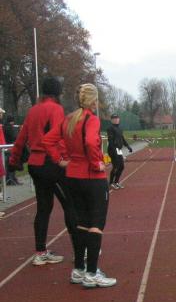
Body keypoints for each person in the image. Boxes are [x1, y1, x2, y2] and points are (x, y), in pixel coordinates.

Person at [42, 83, 116, 287]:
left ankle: (79, 269)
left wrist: (60, 160)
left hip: (73, 176)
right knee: (96, 224)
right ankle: (91, 273)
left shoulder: (69, 119)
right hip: (92, 178)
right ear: (93, 100)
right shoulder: (91, 119)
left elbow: (47, 140)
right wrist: (96, 163)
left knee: (80, 223)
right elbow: (91, 142)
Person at [9, 76, 79, 267]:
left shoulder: (33, 110)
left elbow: (21, 138)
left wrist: (14, 161)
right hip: (51, 163)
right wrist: (66, 160)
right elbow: (58, 138)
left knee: (43, 208)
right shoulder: (55, 109)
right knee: (70, 204)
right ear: (57, 92)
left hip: (35, 165)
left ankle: (40, 252)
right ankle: (80, 251)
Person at [107, 113, 133, 189]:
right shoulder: (110, 128)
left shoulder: (120, 129)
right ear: (111, 120)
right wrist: (114, 150)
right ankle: (111, 183)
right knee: (116, 166)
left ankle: (116, 182)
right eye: (114, 118)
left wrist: (128, 146)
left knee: (121, 166)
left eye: (117, 118)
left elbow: (122, 139)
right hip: (112, 149)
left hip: (118, 150)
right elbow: (110, 141)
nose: (116, 120)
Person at [4, 114, 21, 185]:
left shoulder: (4, 127)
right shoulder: (10, 128)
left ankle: (9, 179)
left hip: (6, 147)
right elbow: (14, 136)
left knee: (7, 164)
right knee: (12, 163)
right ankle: (12, 179)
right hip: (10, 147)